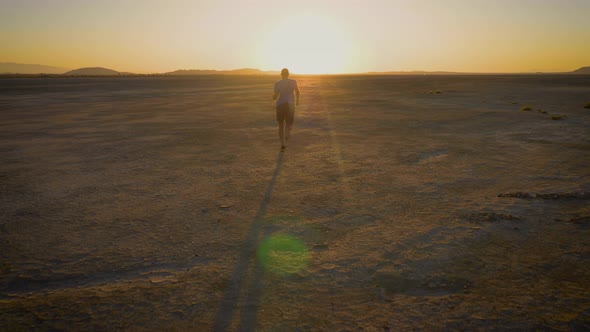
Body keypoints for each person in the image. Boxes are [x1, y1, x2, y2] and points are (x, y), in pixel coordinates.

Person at [273, 68, 300, 151]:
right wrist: (298, 100)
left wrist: (274, 97)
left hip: (280, 104)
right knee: (289, 122)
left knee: (281, 125)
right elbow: (297, 91)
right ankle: (288, 132)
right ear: (288, 74)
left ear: (281, 74)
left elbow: (276, 96)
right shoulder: (293, 81)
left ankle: (283, 144)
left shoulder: (278, 83)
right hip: (290, 104)